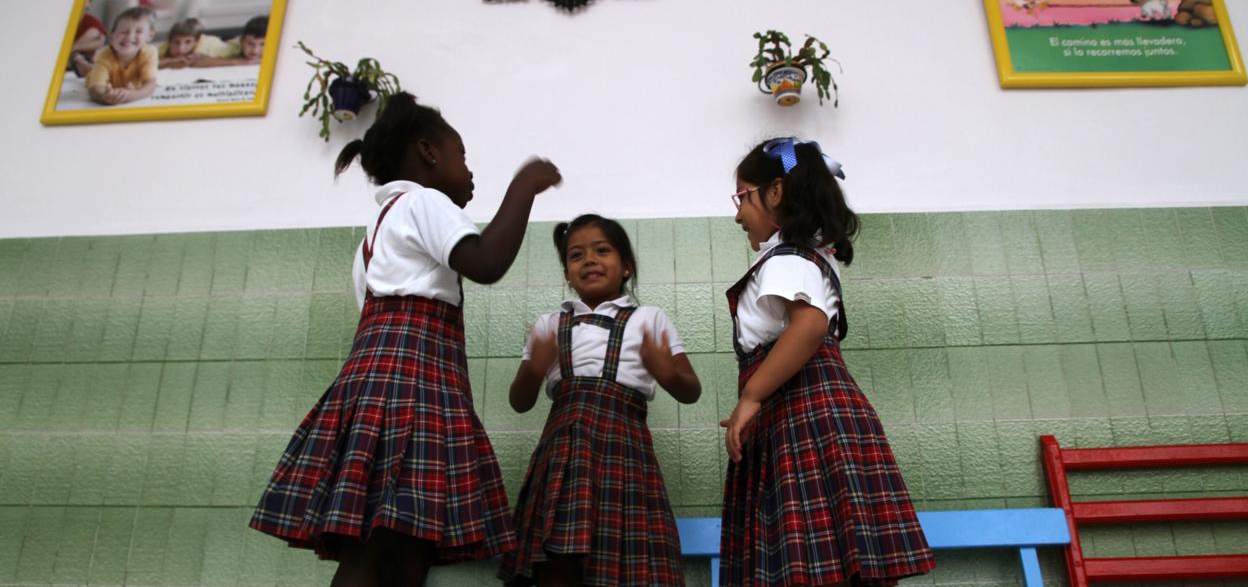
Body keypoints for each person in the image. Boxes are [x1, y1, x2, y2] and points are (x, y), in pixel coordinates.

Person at [249, 92, 562, 587]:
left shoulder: (377, 230)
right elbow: (485, 262)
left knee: (397, 547)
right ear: (427, 153)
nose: (469, 171)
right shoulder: (421, 201)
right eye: (462, 155)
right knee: (387, 549)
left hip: (380, 377)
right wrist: (524, 186)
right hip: (410, 383)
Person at [719, 137, 935, 585]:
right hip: (815, 414)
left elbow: (809, 326)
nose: (737, 213)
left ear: (775, 192)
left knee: (818, 567)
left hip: (806, 415)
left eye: (741, 197)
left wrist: (751, 397)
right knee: (841, 562)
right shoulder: (807, 257)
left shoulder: (785, 257)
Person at [500, 214, 700, 586]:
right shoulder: (549, 325)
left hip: (624, 454)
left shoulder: (649, 319)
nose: (589, 260)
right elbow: (519, 401)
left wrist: (667, 373)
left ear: (626, 266)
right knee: (555, 556)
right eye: (576, 255)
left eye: (602, 251)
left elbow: (691, 390)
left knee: (626, 563)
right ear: (566, 273)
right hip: (562, 455)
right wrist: (533, 369)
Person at [85, 6, 158, 106]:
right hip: (103, 76)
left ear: (149, 36)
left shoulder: (149, 52)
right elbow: (95, 89)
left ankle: (82, 63)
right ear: (111, 35)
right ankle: (80, 62)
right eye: (124, 31)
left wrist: (132, 95)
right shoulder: (104, 55)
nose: (129, 36)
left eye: (138, 31)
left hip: (128, 85)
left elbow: (150, 84)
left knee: (90, 68)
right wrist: (106, 96)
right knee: (89, 72)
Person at [192, 15, 267, 67]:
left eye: (263, 44)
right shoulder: (233, 48)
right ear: (242, 41)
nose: (255, 51)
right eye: (250, 44)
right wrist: (236, 62)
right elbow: (196, 62)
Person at [158, 18, 230, 69]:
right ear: (169, 42)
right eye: (176, 42)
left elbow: (233, 57)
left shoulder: (208, 48)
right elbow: (151, 63)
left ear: (196, 42)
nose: (181, 48)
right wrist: (171, 60)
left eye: (188, 42)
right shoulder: (164, 48)